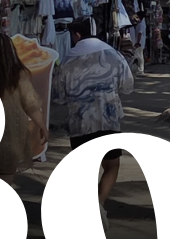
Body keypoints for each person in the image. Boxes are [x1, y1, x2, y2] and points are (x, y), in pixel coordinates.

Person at [52, 17, 135, 206]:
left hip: (80, 122)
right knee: (111, 165)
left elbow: (58, 96)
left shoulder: (67, 60)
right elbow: (128, 86)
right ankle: (99, 202)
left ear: (77, 35)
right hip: (109, 120)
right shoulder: (114, 55)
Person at [0, 32, 46, 179]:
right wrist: (43, 127)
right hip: (12, 131)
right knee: (6, 175)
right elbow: (31, 105)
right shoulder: (18, 75)